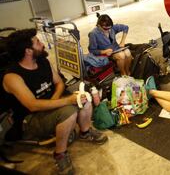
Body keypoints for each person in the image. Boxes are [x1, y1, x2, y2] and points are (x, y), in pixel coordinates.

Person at [2, 29, 108, 175]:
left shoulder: (42, 61)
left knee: (84, 95)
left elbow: (59, 83)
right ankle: (60, 154)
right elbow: (32, 105)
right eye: (37, 42)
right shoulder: (12, 77)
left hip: (51, 103)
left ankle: (85, 131)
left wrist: (54, 101)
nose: (42, 44)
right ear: (28, 51)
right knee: (69, 112)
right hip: (31, 118)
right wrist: (66, 101)